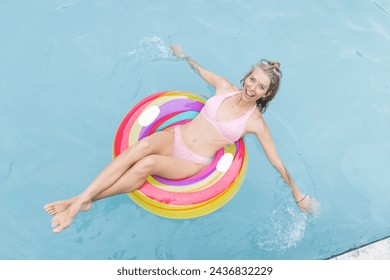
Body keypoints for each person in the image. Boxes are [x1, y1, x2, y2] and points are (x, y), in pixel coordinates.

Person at [44, 45, 317, 233]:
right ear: (246, 76)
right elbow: (199, 69)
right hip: (176, 135)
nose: (252, 88)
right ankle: (82, 201)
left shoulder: (255, 123)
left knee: (146, 163)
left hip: (193, 161)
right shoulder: (223, 87)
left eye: (260, 87)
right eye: (252, 79)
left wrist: (297, 193)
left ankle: (80, 202)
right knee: (141, 147)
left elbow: (277, 163)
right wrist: (182, 55)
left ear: (266, 94)